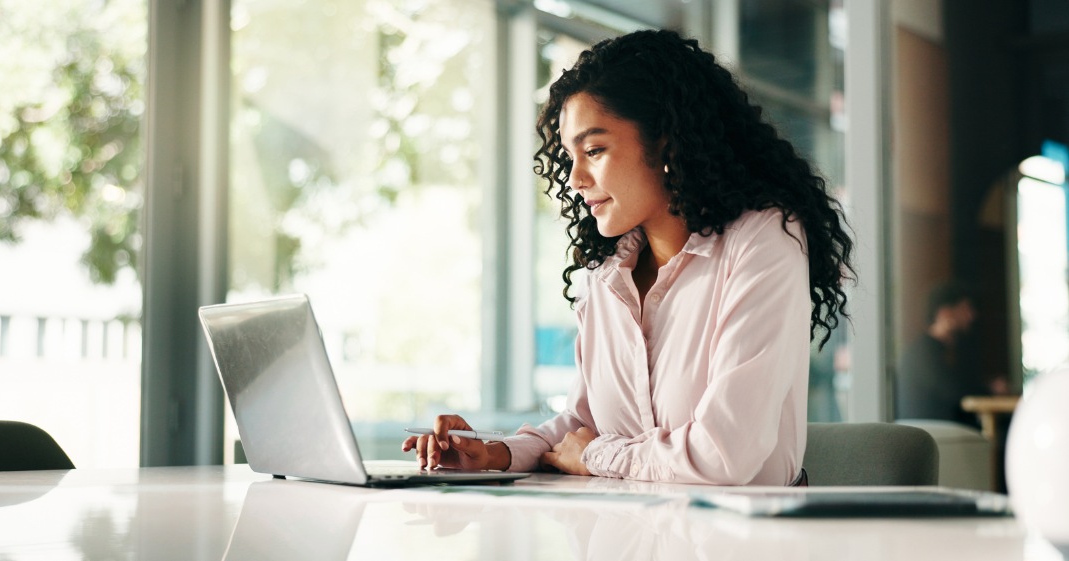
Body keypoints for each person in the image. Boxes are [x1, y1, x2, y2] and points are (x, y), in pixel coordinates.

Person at [402, 29, 855, 485]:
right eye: (569, 156)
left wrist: (598, 455)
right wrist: (495, 454)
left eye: (594, 150)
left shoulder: (763, 240)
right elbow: (582, 426)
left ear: (667, 143)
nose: (576, 177)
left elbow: (724, 454)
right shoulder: (606, 276)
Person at [895, 282, 1000, 424]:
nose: (972, 316)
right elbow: (955, 392)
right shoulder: (923, 352)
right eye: (965, 308)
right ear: (945, 312)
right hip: (933, 434)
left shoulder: (942, 350)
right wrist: (991, 390)